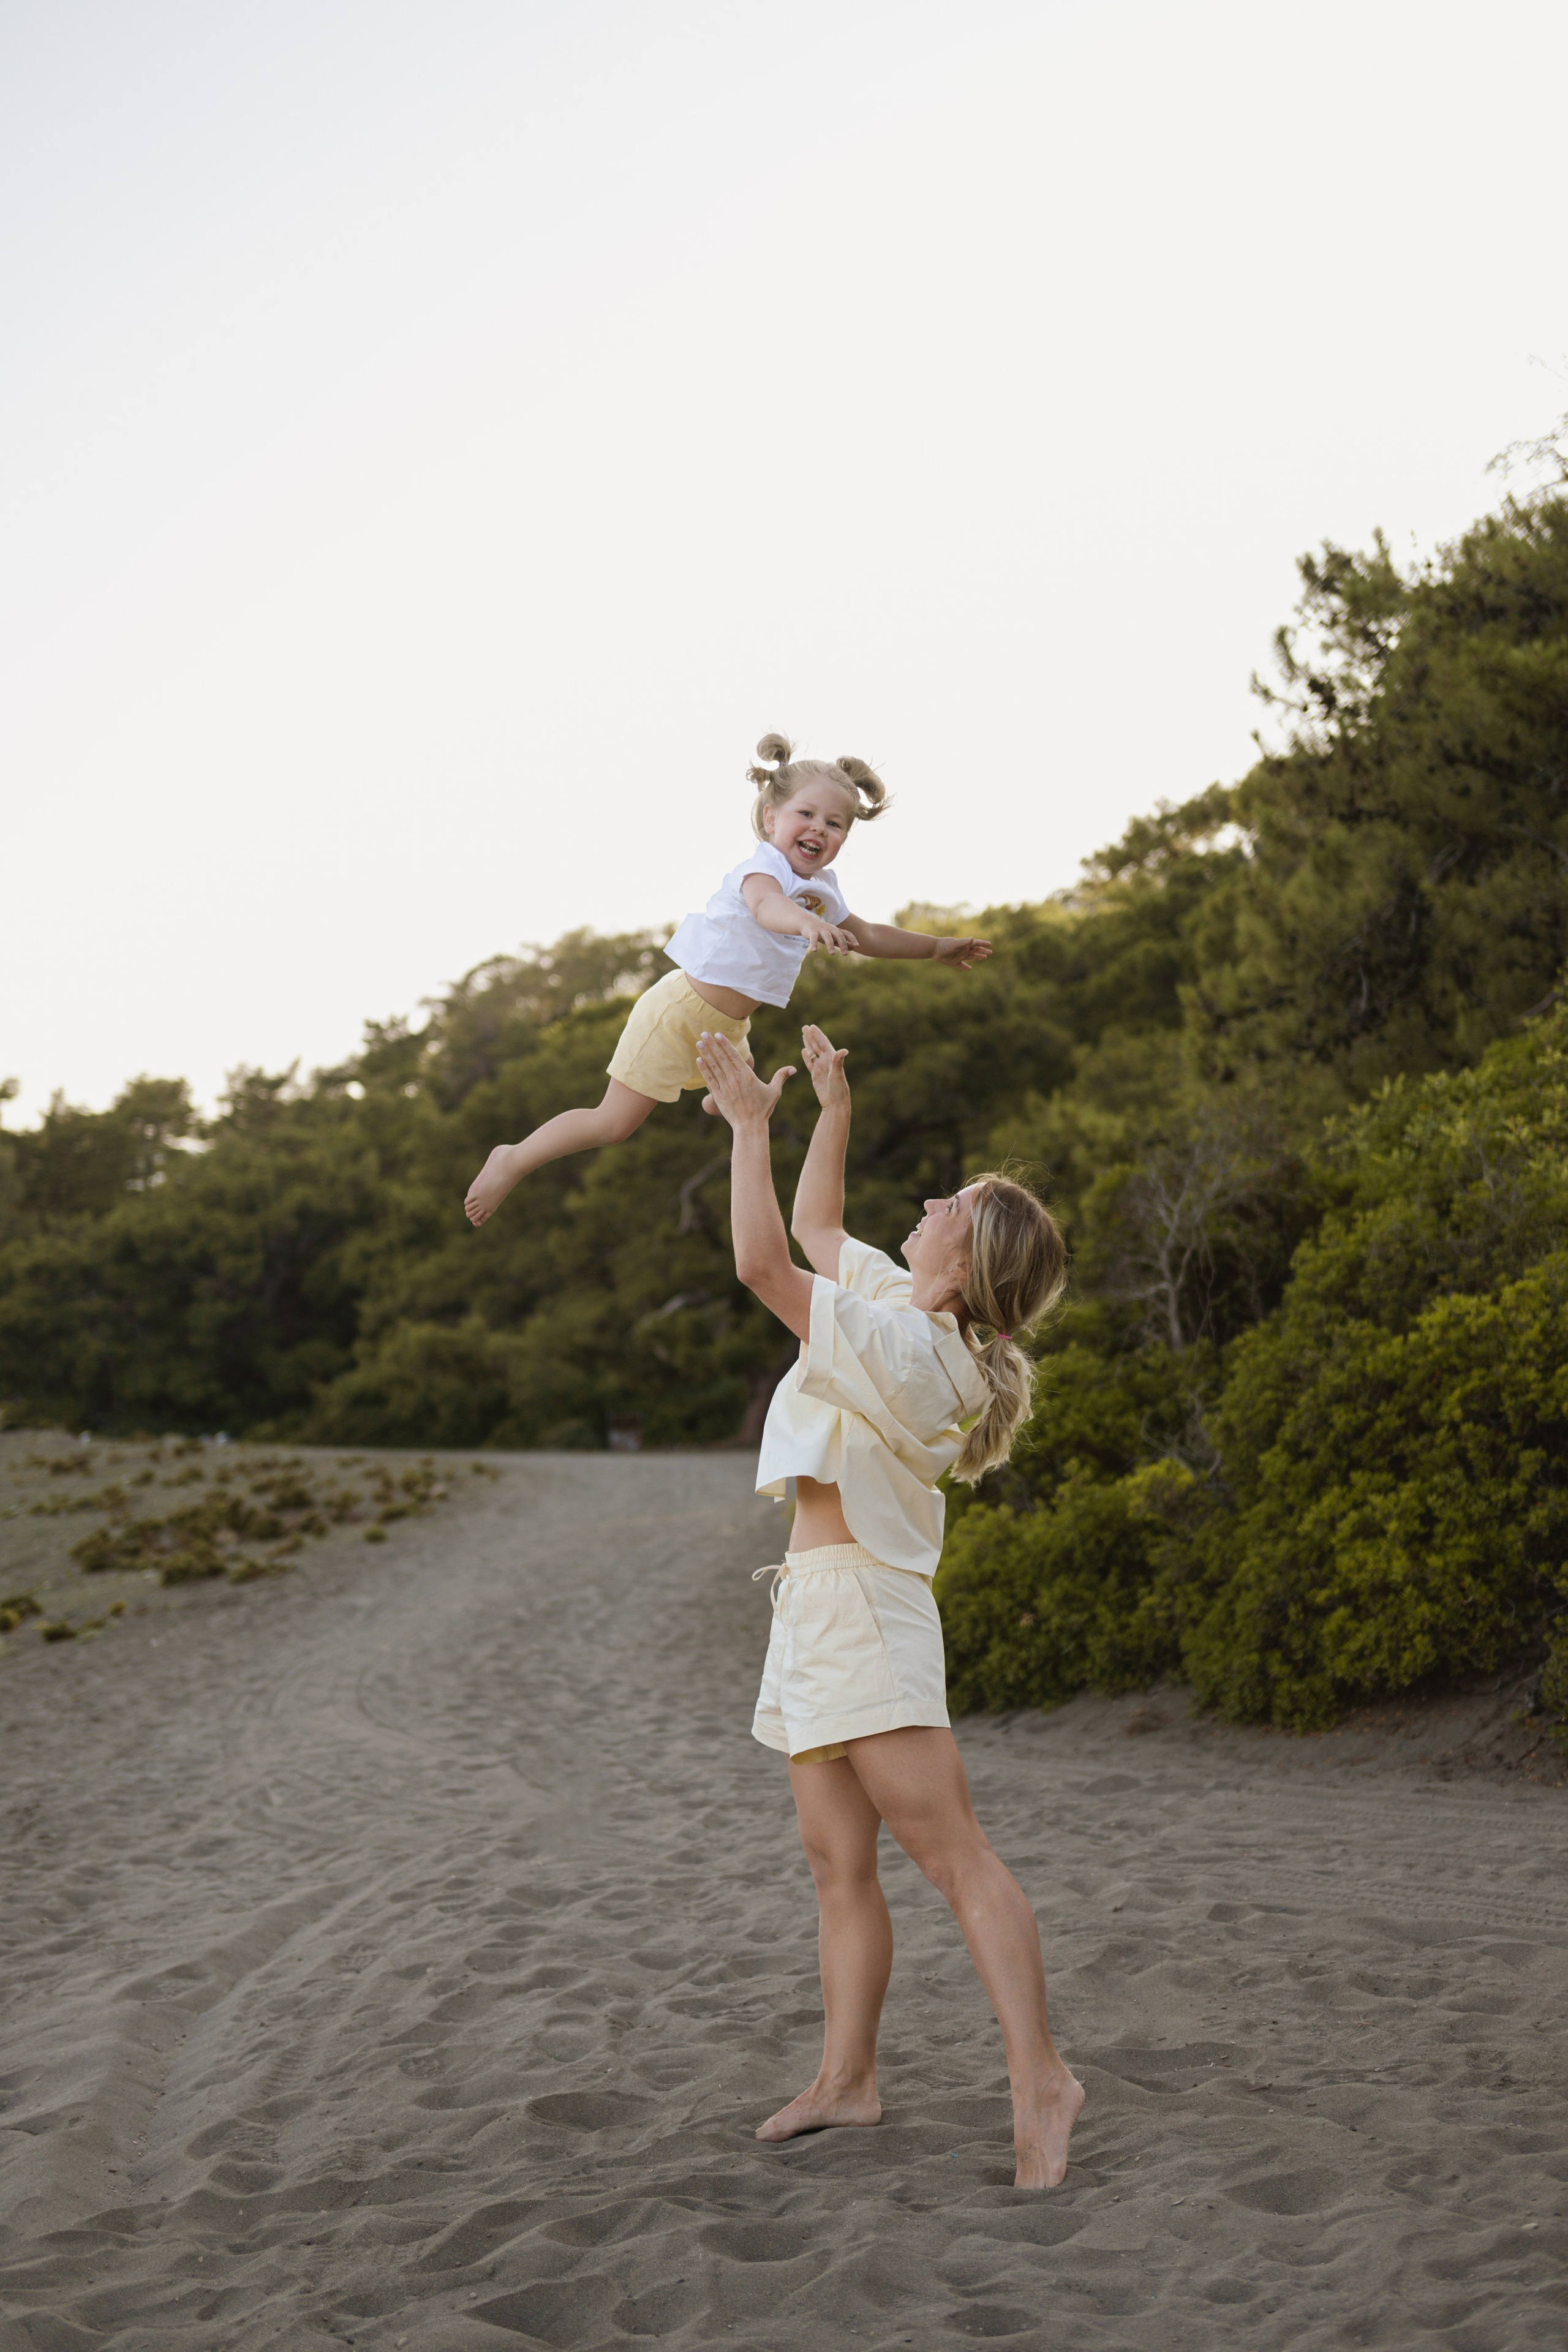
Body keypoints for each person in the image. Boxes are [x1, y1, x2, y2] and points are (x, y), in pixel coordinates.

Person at [693, 1017, 1084, 2191]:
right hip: (815, 1603)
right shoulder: (902, 1307)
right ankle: (848, 2081)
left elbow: (766, 1266)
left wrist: (752, 1132)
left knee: (953, 1858)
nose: (931, 1201)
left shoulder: (922, 1357)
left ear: (969, 1261)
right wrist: (832, 1112)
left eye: (953, 1201)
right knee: (835, 1866)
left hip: (863, 1607)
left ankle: (1042, 2080)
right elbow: (817, 1233)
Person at [463, 734, 992, 1226]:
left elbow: (871, 936)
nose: (819, 829)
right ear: (770, 818)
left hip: (727, 1026)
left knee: (744, 1087)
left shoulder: (824, 890)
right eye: (805, 814)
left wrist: (936, 947)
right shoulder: (760, 871)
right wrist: (807, 924)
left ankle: (716, 1096)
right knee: (613, 1124)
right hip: (677, 1013)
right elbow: (767, 909)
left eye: (835, 825)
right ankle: (512, 1159)